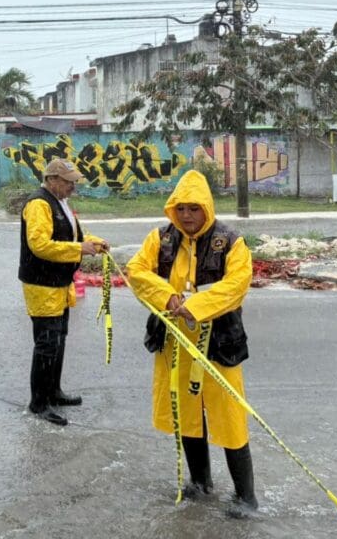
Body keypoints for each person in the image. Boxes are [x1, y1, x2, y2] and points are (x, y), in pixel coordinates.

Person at [125, 170, 258, 517]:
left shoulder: (231, 242)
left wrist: (196, 306)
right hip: (175, 343)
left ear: (207, 208)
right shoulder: (161, 239)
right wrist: (168, 297)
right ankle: (201, 483)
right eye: (181, 208)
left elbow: (237, 285)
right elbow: (137, 271)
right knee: (186, 414)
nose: (186, 215)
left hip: (220, 343)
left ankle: (246, 496)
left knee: (229, 417)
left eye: (194, 208)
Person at [19, 158, 109, 426]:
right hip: (42, 284)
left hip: (59, 282)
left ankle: (53, 392)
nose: (73, 187)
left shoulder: (61, 203)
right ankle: (38, 402)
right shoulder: (39, 204)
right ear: (52, 180)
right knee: (47, 344)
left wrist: (93, 243)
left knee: (58, 340)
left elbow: (73, 236)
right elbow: (40, 245)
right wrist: (80, 249)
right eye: (69, 182)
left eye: (74, 182)